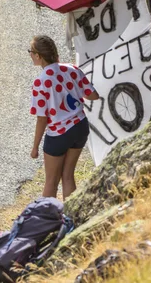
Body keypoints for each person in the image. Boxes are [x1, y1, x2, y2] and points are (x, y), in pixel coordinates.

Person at [28, 35, 99, 199]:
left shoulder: (41, 81)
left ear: (38, 56)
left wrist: (35, 147)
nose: (30, 55)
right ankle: (71, 219)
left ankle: (49, 222)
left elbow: (42, 118)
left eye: (31, 52)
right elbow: (93, 95)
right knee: (68, 176)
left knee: (51, 182)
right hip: (80, 126)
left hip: (59, 134)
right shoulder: (72, 69)